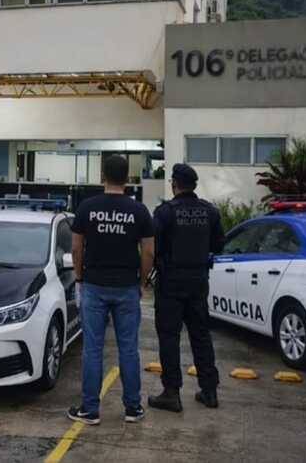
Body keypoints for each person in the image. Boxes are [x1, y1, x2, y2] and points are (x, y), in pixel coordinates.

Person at [67, 155, 155, 425]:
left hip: (94, 285)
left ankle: (90, 410)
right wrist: (141, 281)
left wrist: (80, 277)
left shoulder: (87, 207)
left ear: (102, 176)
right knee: (128, 348)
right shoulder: (139, 211)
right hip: (127, 286)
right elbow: (149, 251)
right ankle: (132, 408)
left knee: (92, 349)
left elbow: (76, 248)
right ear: (127, 178)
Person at [149, 163, 225, 412]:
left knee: (169, 337)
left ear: (174, 184)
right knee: (201, 335)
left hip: (170, 283)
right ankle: (209, 391)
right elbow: (219, 245)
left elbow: (154, 247)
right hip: (198, 282)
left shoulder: (165, 212)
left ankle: (172, 392)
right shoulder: (210, 212)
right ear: (193, 185)